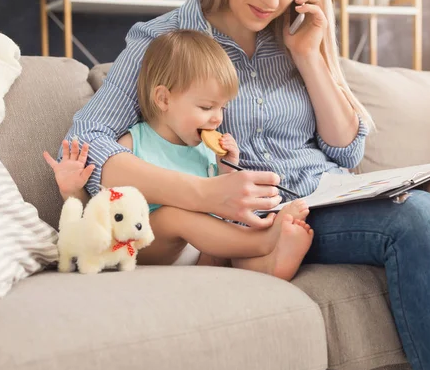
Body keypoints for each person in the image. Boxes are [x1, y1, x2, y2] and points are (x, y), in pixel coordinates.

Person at [57, 0, 430, 370]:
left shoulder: (293, 31)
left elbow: (345, 149)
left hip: (332, 186)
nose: (272, 1)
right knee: (419, 216)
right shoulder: (166, 38)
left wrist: (308, 55)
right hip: (278, 210)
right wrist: (204, 194)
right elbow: (88, 142)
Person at [45, 29, 314, 281]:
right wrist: (74, 191)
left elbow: (221, 202)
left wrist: (226, 167)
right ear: (163, 99)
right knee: (174, 214)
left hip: (202, 251)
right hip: (148, 247)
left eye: (222, 108)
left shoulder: (205, 148)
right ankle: (264, 241)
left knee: (226, 237)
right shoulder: (132, 143)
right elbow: (102, 210)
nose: (217, 118)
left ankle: (267, 266)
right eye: (207, 106)